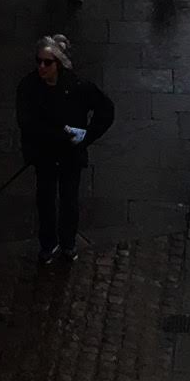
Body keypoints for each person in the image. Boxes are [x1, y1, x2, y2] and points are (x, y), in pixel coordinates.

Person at [14, 33, 115, 267]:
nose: (41, 67)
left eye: (47, 63)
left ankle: (68, 243)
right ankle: (48, 243)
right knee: (46, 200)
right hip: (45, 156)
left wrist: (87, 136)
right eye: (38, 61)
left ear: (58, 64)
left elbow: (105, 110)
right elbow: (26, 123)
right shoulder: (29, 87)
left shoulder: (78, 87)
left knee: (69, 200)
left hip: (69, 156)